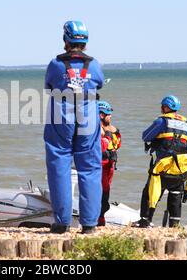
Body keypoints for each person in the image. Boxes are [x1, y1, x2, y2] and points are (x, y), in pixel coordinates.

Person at [44, 21, 104, 234]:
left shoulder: (55, 64)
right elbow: (100, 83)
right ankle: (89, 224)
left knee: (59, 165)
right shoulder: (94, 64)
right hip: (88, 117)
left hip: (61, 115)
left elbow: (49, 85)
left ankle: (62, 223)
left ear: (65, 40)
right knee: (90, 168)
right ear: (85, 42)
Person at [133, 95, 187, 228]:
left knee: (150, 192)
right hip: (181, 169)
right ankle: (174, 225)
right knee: (176, 195)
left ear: (166, 107)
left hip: (163, 167)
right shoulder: (186, 126)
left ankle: (145, 221)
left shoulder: (161, 122)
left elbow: (145, 136)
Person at [97, 101, 121, 226]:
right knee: (103, 191)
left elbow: (118, 145)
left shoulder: (113, 130)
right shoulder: (96, 130)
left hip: (109, 165)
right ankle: (99, 219)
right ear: (101, 115)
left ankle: (101, 218)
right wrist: (107, 135)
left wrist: (113, 132)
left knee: (106, 191)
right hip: (100, 165)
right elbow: (100, 147)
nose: (110, 116)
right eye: (108, 114)